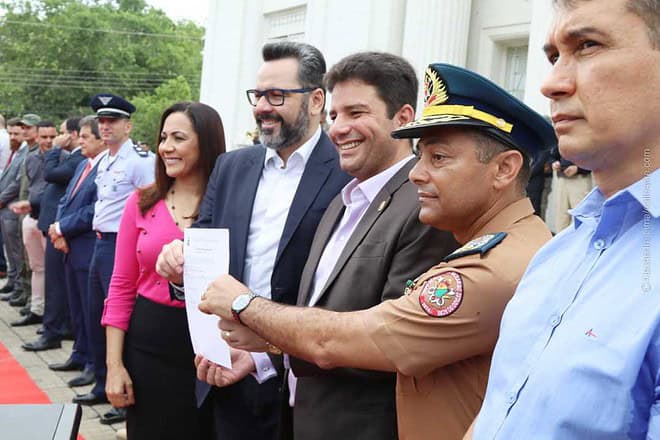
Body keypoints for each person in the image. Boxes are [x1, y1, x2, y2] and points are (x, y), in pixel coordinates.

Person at [196, 62, 556, 439]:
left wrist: (245, 304)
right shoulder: (494, 244)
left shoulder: (492, 267)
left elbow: (360, 340)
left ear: (504, 169)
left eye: (439, 158)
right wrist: (270, 342)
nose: (417, 173)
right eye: (422, 156)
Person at [464, 0, 660, 438]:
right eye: (554, 56)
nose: (551, 83)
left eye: (588, 45)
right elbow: (501, 411)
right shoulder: (559, 251)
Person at [238, 51, 457, 440]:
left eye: (356, 113)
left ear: (404, 118)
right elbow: (319, 314)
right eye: (335, 115)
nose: (338, 129)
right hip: (302, 420)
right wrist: (263, 356)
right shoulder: (343, 200)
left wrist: (250, 311)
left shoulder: (424, 208)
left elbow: (390, 347)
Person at [156, 41, 351, 440]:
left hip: (305, 384)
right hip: (226, 371)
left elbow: (346, 292)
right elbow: (204, 247)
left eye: (276, 95)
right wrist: (179, 266)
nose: (262, 107)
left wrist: (267, 356)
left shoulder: (346, 171)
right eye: (258, 95)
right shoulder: (232, 166)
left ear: (316, 100)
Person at [101, 102, 225, 437]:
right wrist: (114, 366)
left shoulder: (230, 206)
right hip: (149, 346)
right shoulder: (142, 202)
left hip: (212, 350)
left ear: (207, 142)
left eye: (178, 138)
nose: (166, 147)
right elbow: (121, 285)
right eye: (163, 137)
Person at [72, 94, 155, 421]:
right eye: (102, 121)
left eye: (113, 121)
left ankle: (124, 397)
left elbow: (151, 206)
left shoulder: (139, 160)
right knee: (97, 315)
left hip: (122, 245)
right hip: (100, 242)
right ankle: (101, 383)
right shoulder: (106, 159)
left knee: (121, 320)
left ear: (127, 126)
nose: (105, 127)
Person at [47, 116, 107, 388]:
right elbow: (65, 200)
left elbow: (95, 209)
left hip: (88, 245)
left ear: (101, 139)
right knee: (77, 308)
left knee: (90, 308)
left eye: (85, 137)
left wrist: (63, 227)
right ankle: (80, 354)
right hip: (70, 244)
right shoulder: (84, 164)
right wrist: (57, 229)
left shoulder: (106, 167)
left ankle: (95, 365)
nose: (79, 141)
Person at [22, 117, 85, 351]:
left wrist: (55, 149)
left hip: (62, 228)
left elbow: (50, 174)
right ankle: (60, 326)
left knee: (56, 283)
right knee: (55, 281)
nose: (56, 138)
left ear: (72, 135)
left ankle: (54, 330)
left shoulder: (76, 158)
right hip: (52, 224)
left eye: (60, 133)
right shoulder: (74, 158)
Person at [10, 120, 56, 327]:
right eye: (44, 137)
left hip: (51, 222)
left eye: (52, 137)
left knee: (53, 270)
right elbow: (30, 187)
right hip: (31, 218)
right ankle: (37, 310)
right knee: (36, 268)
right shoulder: (30, 159)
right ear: (37, 137)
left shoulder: (63, 159)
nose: (48, 141)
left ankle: (53, 315)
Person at [0, 118, 30, 302]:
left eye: (16, 133)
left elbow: (17, 182)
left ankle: (20, 287)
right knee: (10, 250)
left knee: (17, 251)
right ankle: (13, 282)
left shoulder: (26, 153)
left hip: (14, 206)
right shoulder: (16, 152)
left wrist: (1, 199)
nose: (12, 137)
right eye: (10, 133)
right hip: (7, 208)